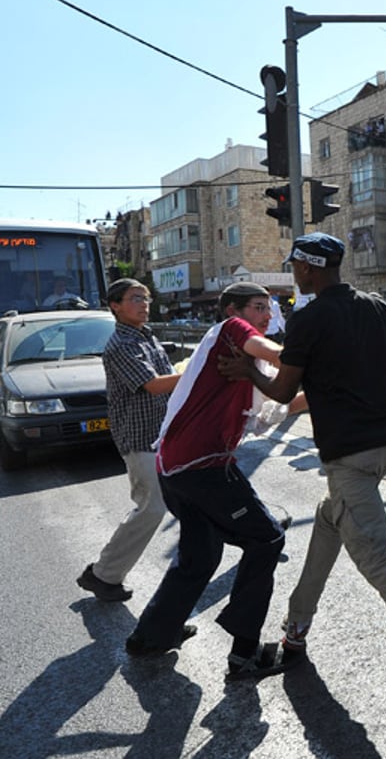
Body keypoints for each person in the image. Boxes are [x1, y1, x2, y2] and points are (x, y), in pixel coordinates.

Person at [220, 232, 386, 729]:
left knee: (380, 561)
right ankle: (296, 629)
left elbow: (282, 387)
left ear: (306, 268)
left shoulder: (308, 318)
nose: (295, 272)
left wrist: (246, 372)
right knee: (329, 522)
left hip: (351, 454)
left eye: (296, 266)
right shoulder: (373, 304)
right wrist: (355, 364)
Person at [126, 283, 302, 677]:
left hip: (176, 468)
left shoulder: (249, 366)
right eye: (259, 307)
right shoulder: (229, 331)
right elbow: (276, 353)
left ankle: (151, 637)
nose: (267, 316)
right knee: (267, 538)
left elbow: (265, 415)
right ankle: (244, 653)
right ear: (232, 311)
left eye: (270, 309)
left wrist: (327, 393)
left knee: (199, 556)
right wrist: (310, 354)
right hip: (201, 467)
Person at [76, 279, 180, 604]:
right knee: (151, 508)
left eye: (146, 298)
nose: (144, 304)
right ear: (115, 306)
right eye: (135, 299)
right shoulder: (121, 344)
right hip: (141, 439)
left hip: (165, 435)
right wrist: (199, 370)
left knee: (189, 501)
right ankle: (104, 574)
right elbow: (153, 385)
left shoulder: (146, 337)